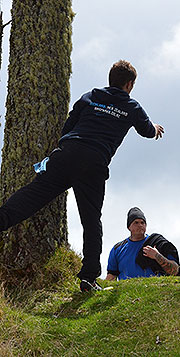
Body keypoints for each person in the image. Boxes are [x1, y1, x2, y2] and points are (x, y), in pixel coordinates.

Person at [0, 60, 164, 292]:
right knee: (90, 220)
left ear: (110, 79)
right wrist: (155, 127)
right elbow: (147, 131)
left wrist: (67, 147)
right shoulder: (131, 106)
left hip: (67, 153)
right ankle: (88, 279)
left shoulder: (90, 96)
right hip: (93, 163)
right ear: (129, 84)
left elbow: (68, 126)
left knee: (31, 198)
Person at [106, 207, 180, 281]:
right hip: (127, 291)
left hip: (155, 288)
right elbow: (111, 275)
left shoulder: (157, 243)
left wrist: (156, 255)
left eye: (142, 222)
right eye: (136, 222)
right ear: (129, 227)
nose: (140, 225)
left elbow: (175, 271)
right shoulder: (117, 249)